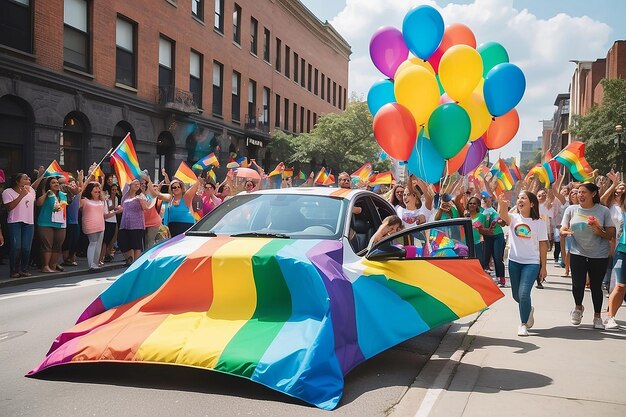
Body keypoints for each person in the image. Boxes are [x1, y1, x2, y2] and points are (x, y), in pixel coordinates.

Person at [560, 182, 615, 329]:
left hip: (599, 254)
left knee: (596, 286)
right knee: (577, 284)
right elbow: (563, 228)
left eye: (584, 192)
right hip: (578, 252)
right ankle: (578, 308)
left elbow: (611, 234)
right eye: (579, 192)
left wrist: (600, 232)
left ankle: (597, 317)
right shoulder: (571, 209)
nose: (580, 195)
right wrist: (564, 232)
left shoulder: (603, 211)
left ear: (593, 194)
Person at [497, 191, 548, 336]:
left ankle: (523, 324)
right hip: (514, 262)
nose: (520, 200)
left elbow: (543, 245)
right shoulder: (513, 218)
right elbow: (503, 216)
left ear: (531, 203)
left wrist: (543, 267)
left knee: (524, 293)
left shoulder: (539, 222)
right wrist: (502, 205)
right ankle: (528, 309)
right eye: (518, 198)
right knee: (516, 296)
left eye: (523, 198)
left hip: (531, 263)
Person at [2, 172, 43, 277]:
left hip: (29, 223)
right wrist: (21, 195)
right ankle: (14, 270)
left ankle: (24, 269)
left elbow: (34, 187)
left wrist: (40, 176)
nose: (28, 179)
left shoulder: (31, 191)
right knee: (16, 247)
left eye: (29, 178)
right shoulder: (8, 192)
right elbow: (9, 207)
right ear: (17, 181)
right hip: (14, 222)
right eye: (25, 178)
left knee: (26, 248)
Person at [36, 176, 68, 273]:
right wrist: (46, 194)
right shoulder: (46, 194)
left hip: (60, 223)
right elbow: (38, 203)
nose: (56, 184)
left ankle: (53, 265)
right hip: (46, 222)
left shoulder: (63, 195)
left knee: (58, 245)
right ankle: (45, 266)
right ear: (48, 185)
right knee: (47, 245)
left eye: (57, 182)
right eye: (53, 183)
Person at [118, 178, 153, 266]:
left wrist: (141, 200)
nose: (137, 185)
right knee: (123, 242)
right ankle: (130, 258)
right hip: (125, 224)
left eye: (138, 184)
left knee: (136, 244)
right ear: (130, 185)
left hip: (137, 224)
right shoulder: (125, 196)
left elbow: (145, 208)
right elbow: (122, 206)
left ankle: (134, 263)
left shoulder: (141, 196)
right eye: (135, 183)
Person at [79, 179, 107, 271]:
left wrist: (115, 212)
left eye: (99, 191)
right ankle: (91, 264)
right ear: (90, 191)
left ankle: (95, 263)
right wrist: (81, 181)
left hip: (101, 225)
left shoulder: (101, 201)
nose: (97, 192)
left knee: (98, 245)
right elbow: (77, 202)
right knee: (93, 243)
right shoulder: (85, 200)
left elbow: (105, 215)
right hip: (90, 224)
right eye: (95, 190)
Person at [482, 194, 507, 287]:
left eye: (487, 198)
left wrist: (500, 221)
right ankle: (484, 279)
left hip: (497, 235)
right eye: (483, 198)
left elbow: (503, 222)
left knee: (497, 257)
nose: (485, 200)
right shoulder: (480, 210)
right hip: (486, 236)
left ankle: (501, 278)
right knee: (485, 259)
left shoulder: (495, 209)